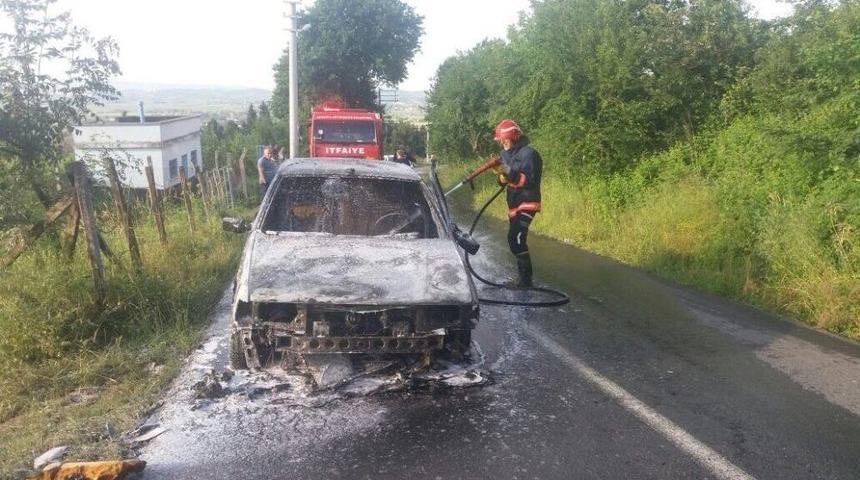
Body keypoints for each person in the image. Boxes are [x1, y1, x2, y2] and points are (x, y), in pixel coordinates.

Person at [493, 119, 542, 288]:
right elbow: (506, 181)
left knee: (517, 238)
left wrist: (506, 171)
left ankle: (526, 281)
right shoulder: (507, 154)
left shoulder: (529, 154)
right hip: (514, 203)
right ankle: (523, 278)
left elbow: (527, 180)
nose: (501, 142)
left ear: (512, 137)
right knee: (512, 239)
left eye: (503, 139)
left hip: (527, 202)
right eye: (500, 140)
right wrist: (500, 176)